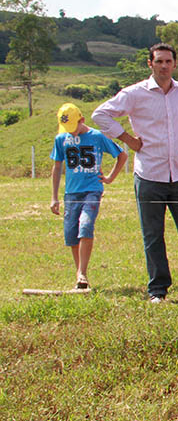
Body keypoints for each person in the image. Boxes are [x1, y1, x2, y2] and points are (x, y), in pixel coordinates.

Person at [92, 42, 178, 303]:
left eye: (168, 61)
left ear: (175, 64)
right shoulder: (134, 94)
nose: (164, 66)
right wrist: (127, 139)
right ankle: (158, 291)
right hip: (149, 175)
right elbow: (101, 114)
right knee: (153, 235)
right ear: (150, 64)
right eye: (159, 61)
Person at [49, 103, 126, 290]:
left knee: (85, 225)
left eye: (73, 127)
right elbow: (57, 166)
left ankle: (82, 272)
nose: (70, 132)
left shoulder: (97, 136)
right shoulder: (61, 139)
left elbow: (122, 155)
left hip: (92, 190)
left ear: (82, 120)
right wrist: (54, 197)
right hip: (71, 193)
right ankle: (80, 275)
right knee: (71, 234)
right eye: (67, 129)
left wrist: (109, 178)